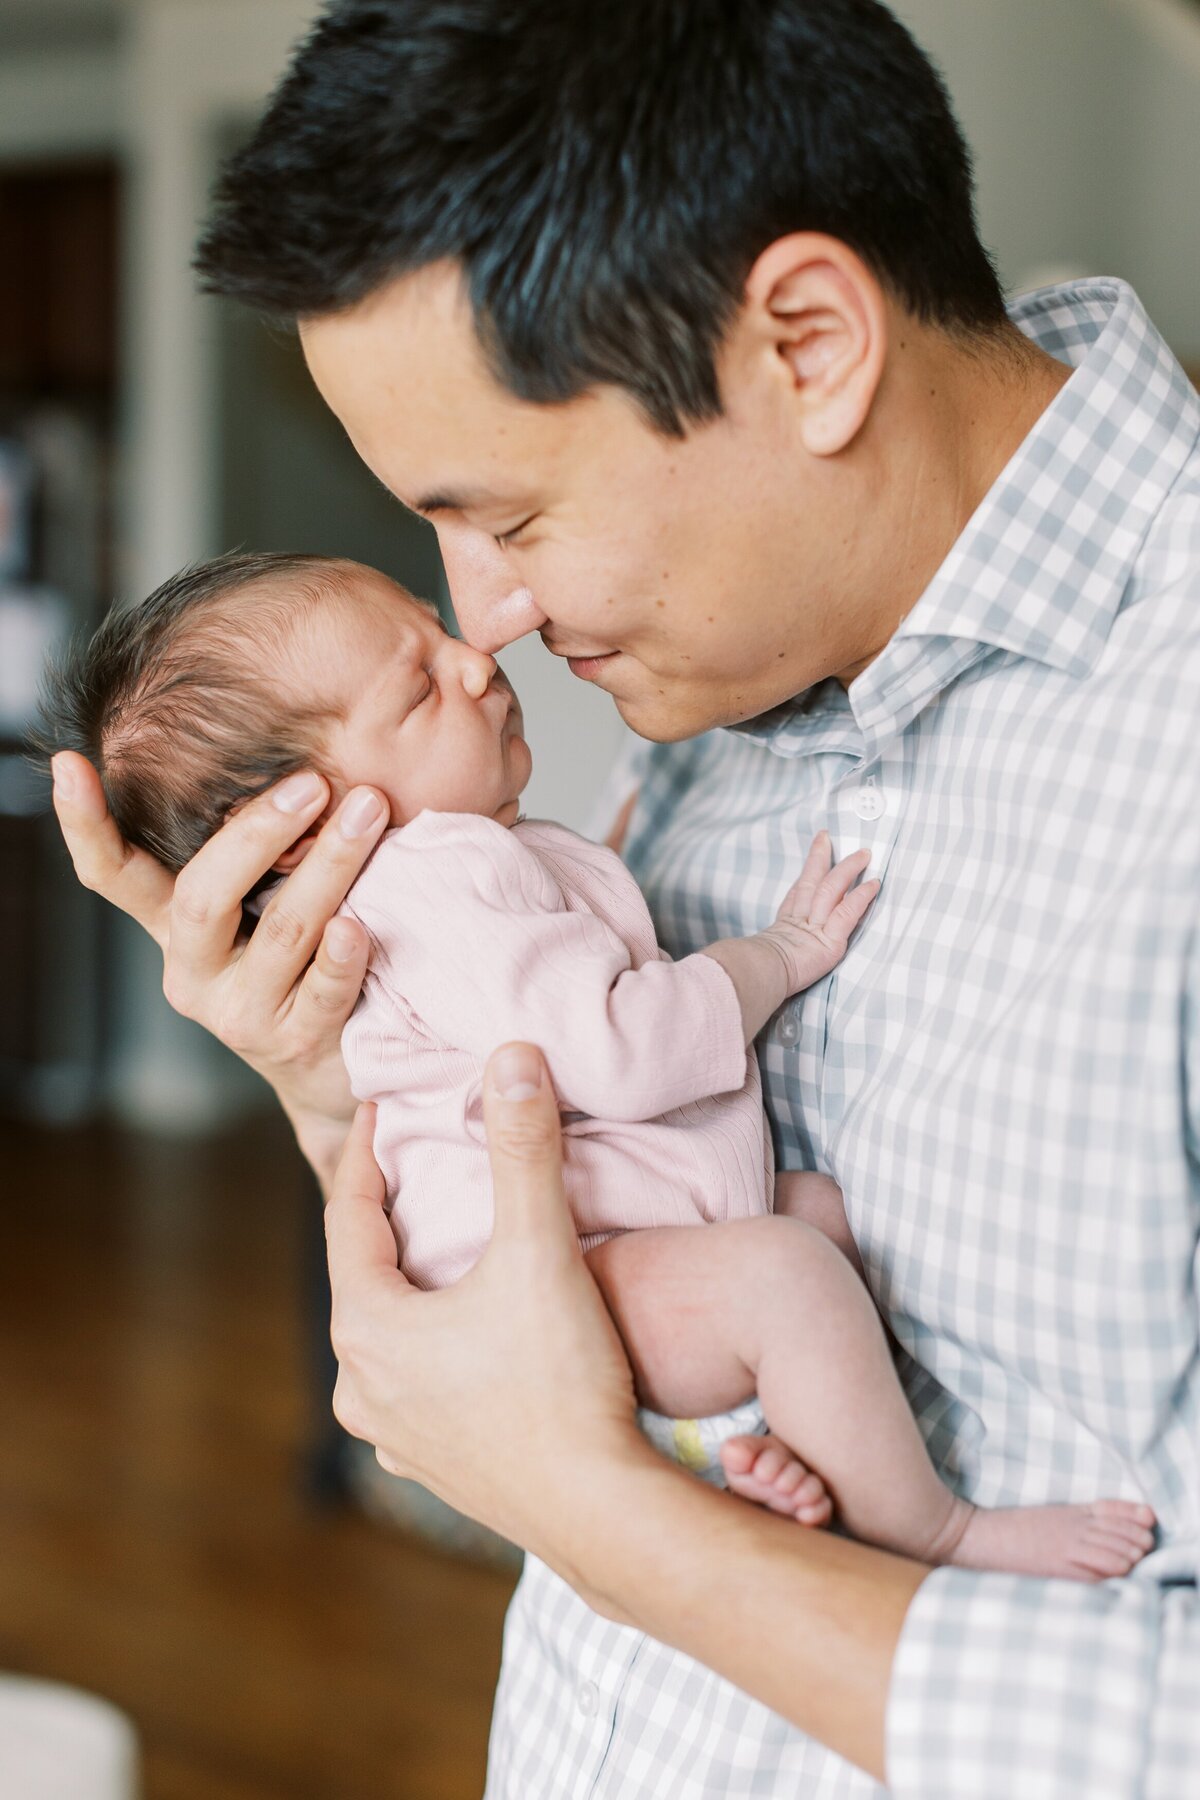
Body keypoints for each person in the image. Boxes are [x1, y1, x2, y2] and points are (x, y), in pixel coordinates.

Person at [51, 1, 1198, 1793]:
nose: (487, 616)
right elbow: (563, 1237)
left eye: (509, 518)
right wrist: (337, 1079)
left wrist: (607, 1513)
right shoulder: (718, 686)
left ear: (808, 345)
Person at [39, 549, 1157, 1582]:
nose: (477, 661)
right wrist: (778, 954)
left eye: (437, 633)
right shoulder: (438, 880)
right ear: (303, 828)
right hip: (565, 1277)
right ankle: (932, 1526)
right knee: (787, 1271)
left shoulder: (459, 867)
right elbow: (618, 1053)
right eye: (421, 687)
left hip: (610, 1249)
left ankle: (735, 1447)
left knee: (810, 1219)